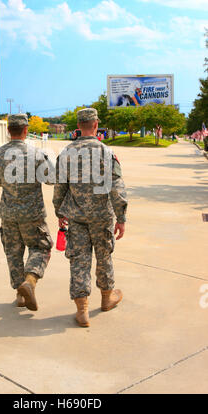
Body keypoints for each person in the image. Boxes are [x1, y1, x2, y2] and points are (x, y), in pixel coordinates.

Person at [53, 108, 128, 328]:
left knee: (79, 260)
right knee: (104, 256)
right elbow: (117, 188)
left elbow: (60, 188)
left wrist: (60, 212)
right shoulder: (107, 152)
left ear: (79, 126)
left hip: (76, 217)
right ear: (96, 125)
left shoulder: (66, 153)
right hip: (102, 216)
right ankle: (107, 298)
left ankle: (82, 310)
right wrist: (121, 217)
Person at [0, 114, 54, 312]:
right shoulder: (36, 154)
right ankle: (30, 281)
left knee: (13, 253)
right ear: (26, 130)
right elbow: (51, 179)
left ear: (9, 131)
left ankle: (20, 294)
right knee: (41, 247)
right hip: (32, 214)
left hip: (8, 214)